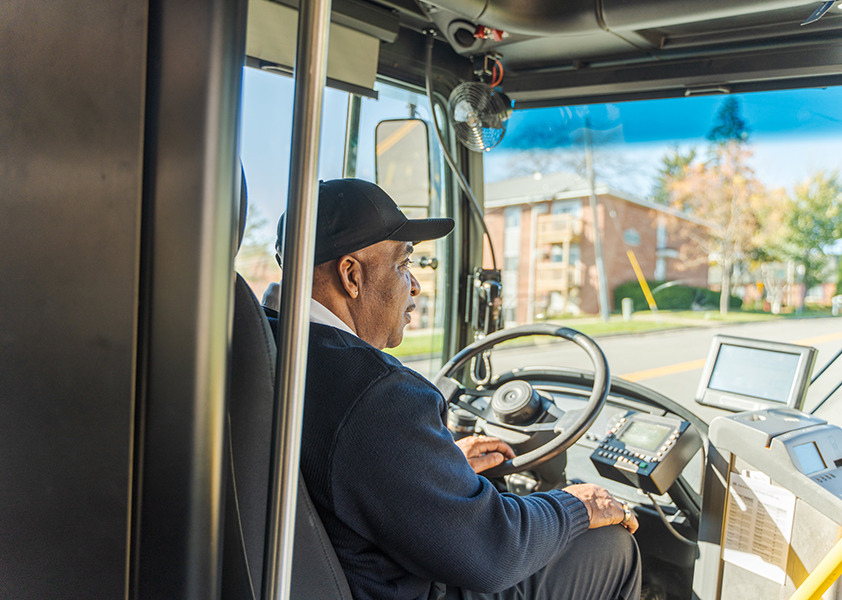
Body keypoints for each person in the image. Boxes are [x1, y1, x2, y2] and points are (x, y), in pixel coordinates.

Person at [272, 179, 641, 600]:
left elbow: (355, 469)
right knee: (612, 546)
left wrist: (430, 467)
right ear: (351, 275)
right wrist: (579, 505)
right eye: (402, 264)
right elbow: (495, 555)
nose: (415, 286)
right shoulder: (375, 392)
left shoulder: (272, 348)